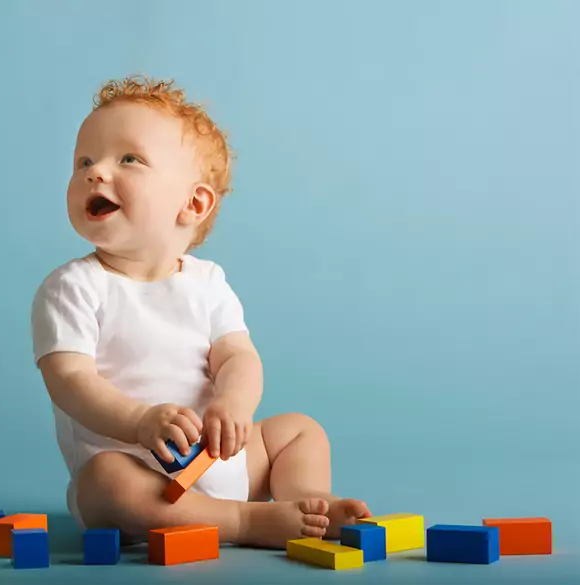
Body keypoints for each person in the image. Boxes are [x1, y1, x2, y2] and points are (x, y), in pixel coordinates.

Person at [31, 76, 371, 548]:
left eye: (128, 159)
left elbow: (238, 357)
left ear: (193, 203)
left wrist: (233, 404)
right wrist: (139, 421)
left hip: (220, 459)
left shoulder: (207, 282)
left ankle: (307, 502)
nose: (95, 172)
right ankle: (244, 522)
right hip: (139, 476)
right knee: (104, 480)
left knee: (299, 431)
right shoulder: (71, 287)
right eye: (83, 161)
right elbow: (69, 380)